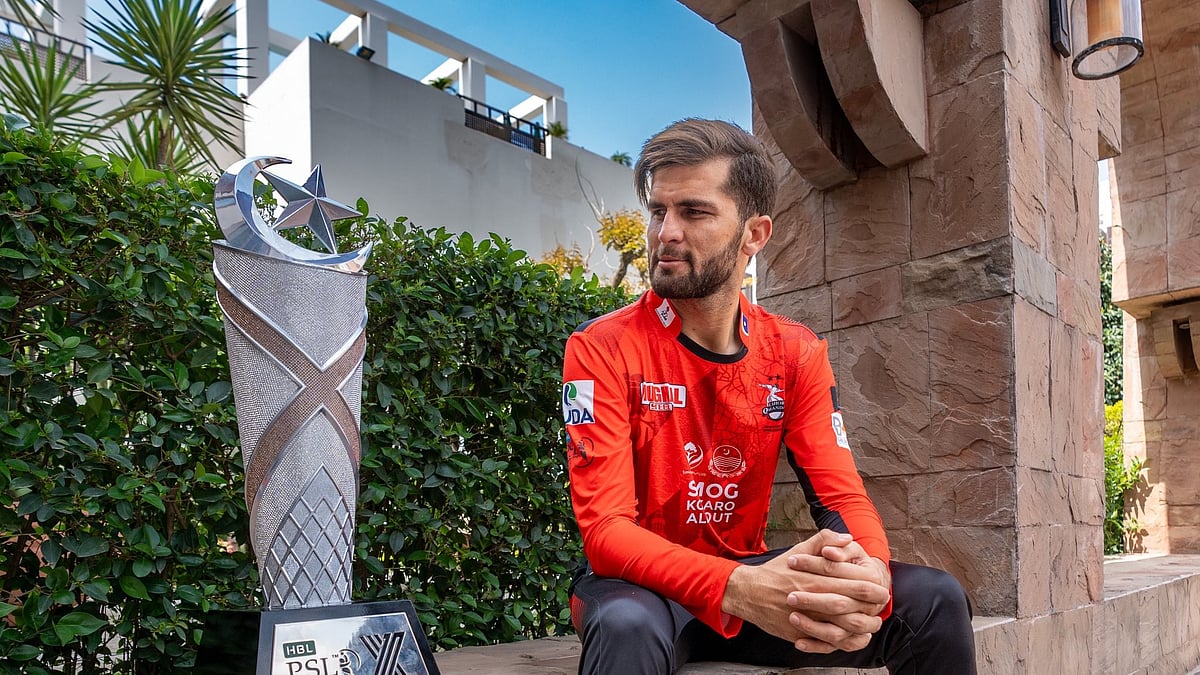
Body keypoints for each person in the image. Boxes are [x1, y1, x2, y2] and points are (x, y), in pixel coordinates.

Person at [560, 118, 977, 674]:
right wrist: (738, 587)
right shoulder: (600, 349)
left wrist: (870, 570)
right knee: (626, 627)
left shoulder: (794, 352)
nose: (666, 232)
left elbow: (841, 500)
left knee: (934, 600)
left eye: (694, 211)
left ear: (754, 235)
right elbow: (607, 533)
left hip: (751, 577)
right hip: (638, 589)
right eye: (659, 211)